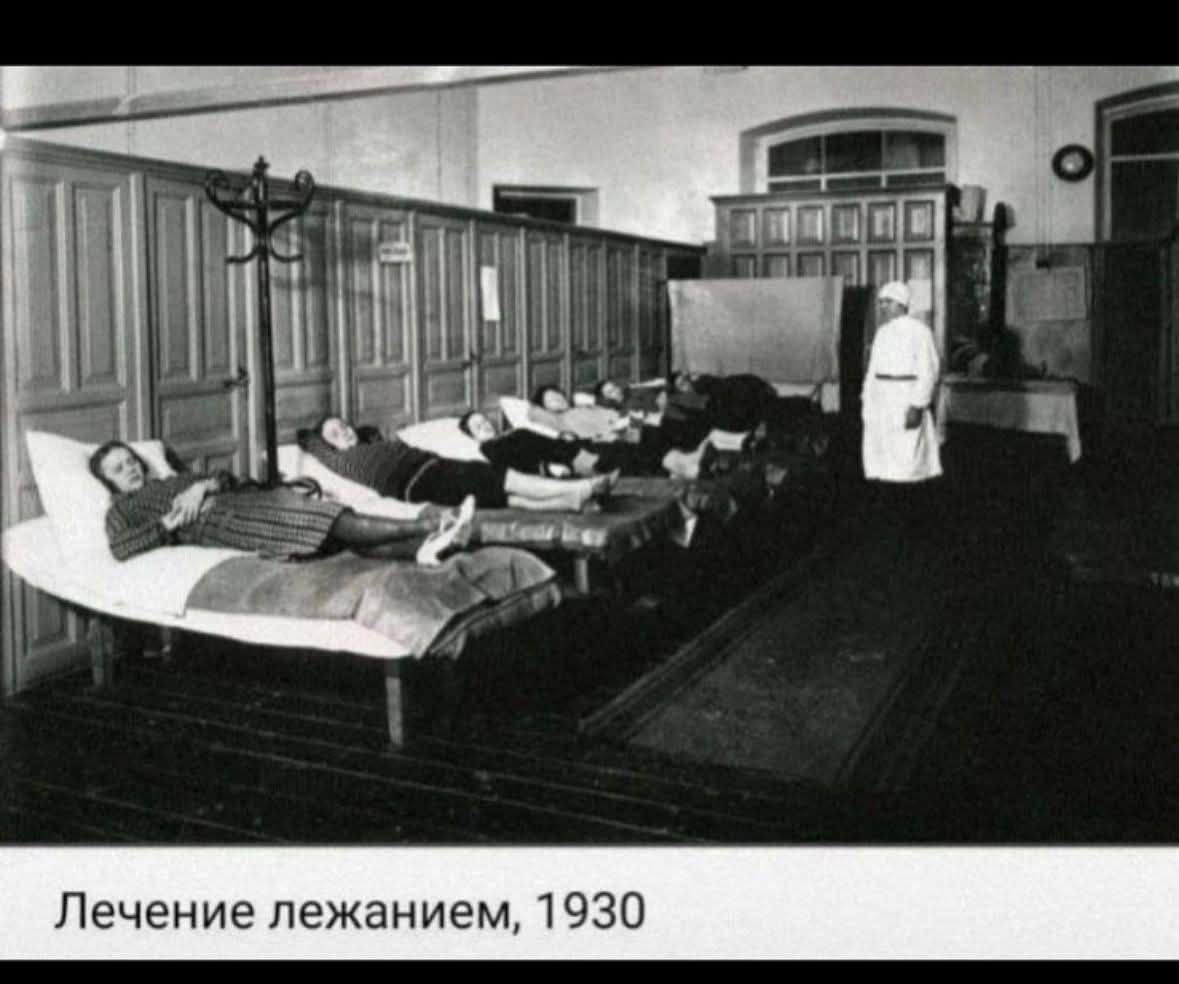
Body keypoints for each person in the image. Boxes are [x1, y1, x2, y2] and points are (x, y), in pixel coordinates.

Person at [90, 440, 474, 567]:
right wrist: (167, 525)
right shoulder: (121, 510)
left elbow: (227, 477)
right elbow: (120, 548)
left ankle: (423, 549)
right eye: (118, 469)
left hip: (241, 500)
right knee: (321, 520)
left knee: (333, 534)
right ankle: (431, 526)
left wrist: (202, 485)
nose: (130, 468)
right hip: (217, 523)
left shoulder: (174, 479)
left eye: (130, 460)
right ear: (109, 481)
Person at [308, 416, 614, 512]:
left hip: (434, 468)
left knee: (502, 497)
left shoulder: (377, 443)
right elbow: (308, 441)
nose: (344, 432)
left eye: (344, 425)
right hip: (421, 479)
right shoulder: (340, 460)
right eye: (335, 433)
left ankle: (572, 501)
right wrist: (318, 436)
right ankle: (580, 487)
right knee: (502, 478)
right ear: (329, 445)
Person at [860, 280, 942, 486]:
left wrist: (916, 406)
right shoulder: (882, 333)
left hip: (906, 399)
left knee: (908, 460)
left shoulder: (920, 332)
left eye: (887, 301)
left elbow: (928, 372)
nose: (882, 306)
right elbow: (872, 371)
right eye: (881, 302)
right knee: (883, 461)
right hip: (881, 401)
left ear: (901, 304)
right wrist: (867, 400)